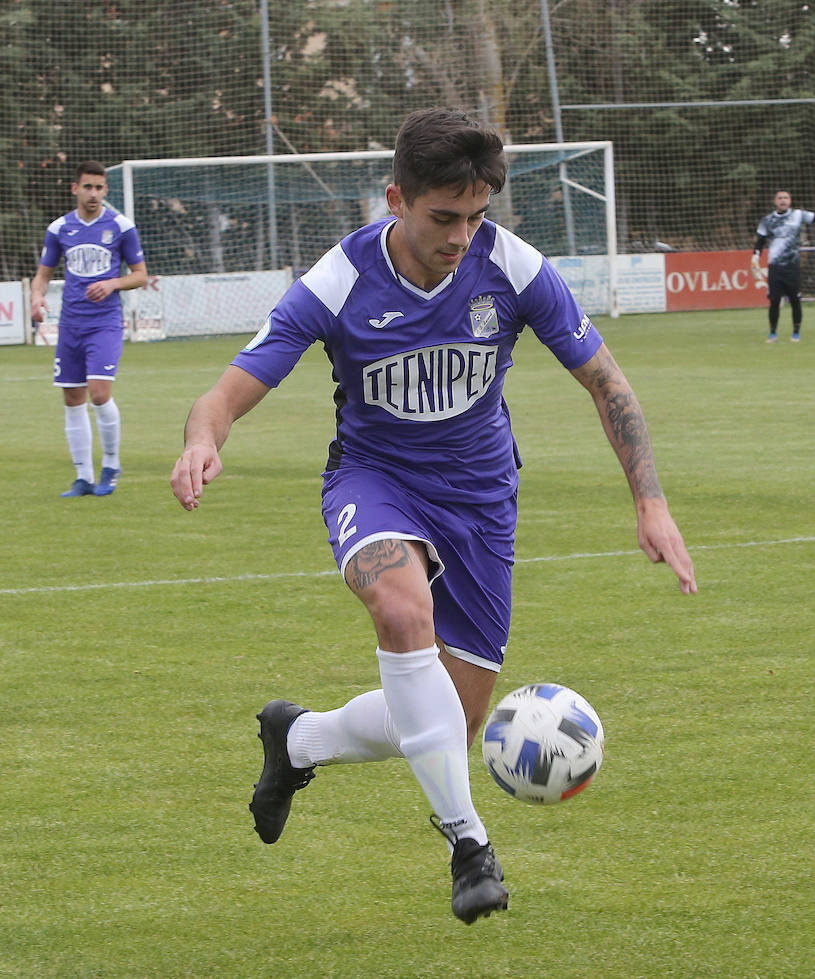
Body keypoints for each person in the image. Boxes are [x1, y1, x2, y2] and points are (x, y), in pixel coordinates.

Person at [169, 107, 697, 923]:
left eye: (476, 216)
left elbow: (609, 383)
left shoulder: (514, 268)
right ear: (396, 199)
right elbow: (228, 391)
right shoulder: (341, 281)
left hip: (482, 495)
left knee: (454, 714)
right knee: (399, 606)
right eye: (443, 216)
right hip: (373, 480)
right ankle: (467, 842)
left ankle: (297, 740)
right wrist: (203, 440)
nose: (460, 236)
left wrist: (651, 502)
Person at [32, 160, 148, 497]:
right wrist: (36, 298)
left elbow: (140, 274)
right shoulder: (59, 229)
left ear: (105, 190)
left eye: (99, 188)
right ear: (75, 189)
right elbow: (43, 272)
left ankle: (111, 465)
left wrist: (113, 284)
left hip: (105, 323)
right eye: (88, 187)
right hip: (71, 324)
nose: (94, 194)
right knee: (72, 397)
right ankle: (83, 476)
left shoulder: (121, 226)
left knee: (99, 394)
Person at [751, 190, 815, 343]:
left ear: (790, 200)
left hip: (792, 265)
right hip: (775, 266)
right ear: (775, 201)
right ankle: (773, 333)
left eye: (786, 198)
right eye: (780, 198)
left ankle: (796, 333)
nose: (783, 200)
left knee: (795, 300)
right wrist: (755, 258)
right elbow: (760, 242)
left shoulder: (798, 215)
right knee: (774, 301)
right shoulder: (767, 221)